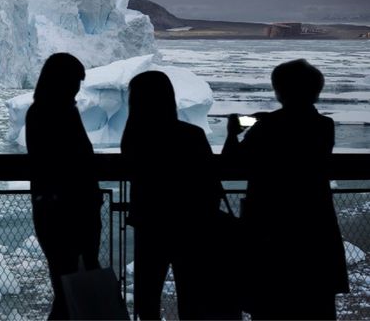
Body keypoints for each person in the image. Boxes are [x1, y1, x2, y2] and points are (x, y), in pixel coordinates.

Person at [223, 59, 348, 320]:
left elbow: (231, 165)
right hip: (314, 226)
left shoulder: (267, 127)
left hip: (270, 228)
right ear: (316, 90)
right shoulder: (324, 126)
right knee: (316, 302)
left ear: (280, 91)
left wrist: (232, 134)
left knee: (270, 302)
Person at [121, 71, 237, 320]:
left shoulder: (133, 138)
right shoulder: (191, 135)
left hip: (149, 223)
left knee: (147, 293)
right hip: (190, 225)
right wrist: (232, 137)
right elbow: (211, 177)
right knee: (192, 293)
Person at [25, 53, 101, 320]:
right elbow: (72, 160)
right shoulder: (57, 112)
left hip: (55, 209)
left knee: (66, 284)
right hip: (69, 211)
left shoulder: (42, 111)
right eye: (75, 81)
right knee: (73, 285)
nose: (77, 88)